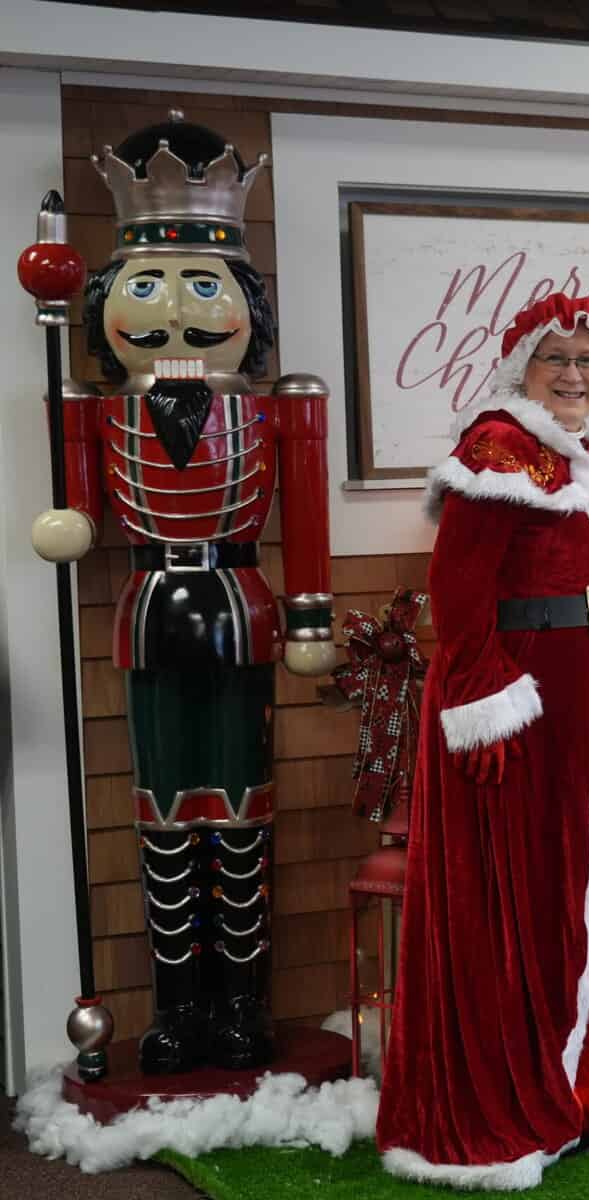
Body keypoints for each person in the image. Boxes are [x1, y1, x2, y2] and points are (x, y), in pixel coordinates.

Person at [33, 111, 334, 1074]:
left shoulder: (283, 405)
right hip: (151, 612)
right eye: (147, 285)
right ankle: (177, 1007)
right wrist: (69, 521)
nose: (174, 310)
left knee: (243, 806)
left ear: (246, 304)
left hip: (241, 609)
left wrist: (311, 615)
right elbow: (81, 510)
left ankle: (242, 1004)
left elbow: (308, 521)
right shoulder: (94, 407)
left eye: (204, 285)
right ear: (105, 303)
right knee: (162, 810)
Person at [377, 294, 589, 1190]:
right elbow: (459, 586)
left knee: (565, 892)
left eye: (588, 360)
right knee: (516, 895)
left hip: (579, 708)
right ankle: (502, 1104)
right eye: (555, 359)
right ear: (520, 369)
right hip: (519, 711)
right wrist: (482, 697)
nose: (574, 375)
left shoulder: (575, 460)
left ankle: (569, 1085)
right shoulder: (500, 447)